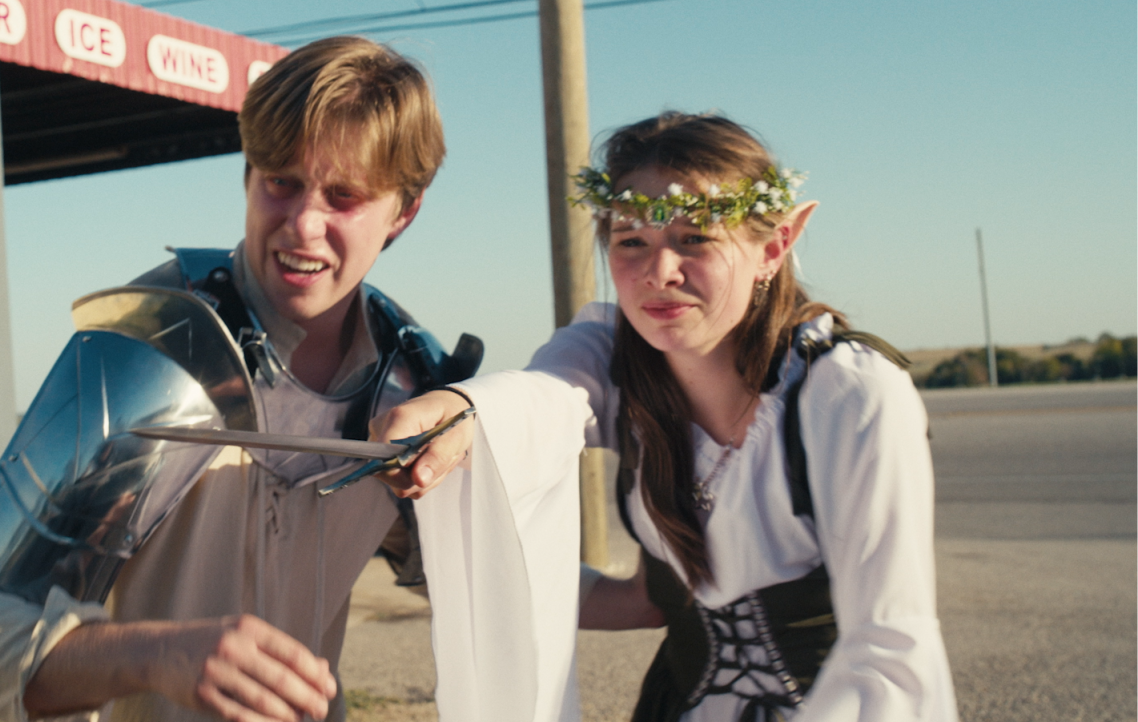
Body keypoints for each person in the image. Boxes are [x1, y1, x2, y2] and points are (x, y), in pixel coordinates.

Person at [0, 36, 475, 722]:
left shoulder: (409, 378)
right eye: (282, 180)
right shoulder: (156, 345)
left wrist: (638, 589)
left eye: (344, 196)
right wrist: (153, 655)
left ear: (404, 211)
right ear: (247, 174)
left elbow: (477, 578)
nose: (303, 223)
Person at [373, 112, 958, 721]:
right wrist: (456, 424)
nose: (659, 273)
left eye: (695, 238)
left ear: (776, 244)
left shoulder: (847, 393)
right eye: (632, 242)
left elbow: (890, 647)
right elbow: (541, 397)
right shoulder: (611, 353)